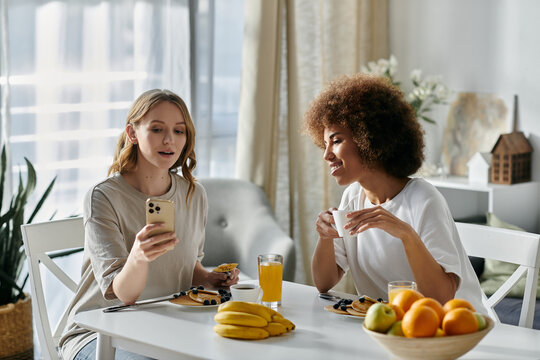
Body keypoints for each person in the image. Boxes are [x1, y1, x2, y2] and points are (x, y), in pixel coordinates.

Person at [60, 89, 239, 360]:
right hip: (99, 332)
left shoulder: (194, 194)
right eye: (157, 129)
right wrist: (138, 257)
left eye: (179, 131)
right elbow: (124, 294)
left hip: (163, 323)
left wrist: (210, 278)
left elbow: (185, 267)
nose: (169, 140)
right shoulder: (103, 197)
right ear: (132, 133)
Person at [303, 74, 486, 312]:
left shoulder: (424, 199)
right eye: (325, 144)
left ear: (368, 138)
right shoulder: (353, 197)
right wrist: (325, 237)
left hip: (458, 332)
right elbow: (324, 283)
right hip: (393, 330)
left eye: (336, 141)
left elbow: (442, 298)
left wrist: (406, 235)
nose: (326, 155)